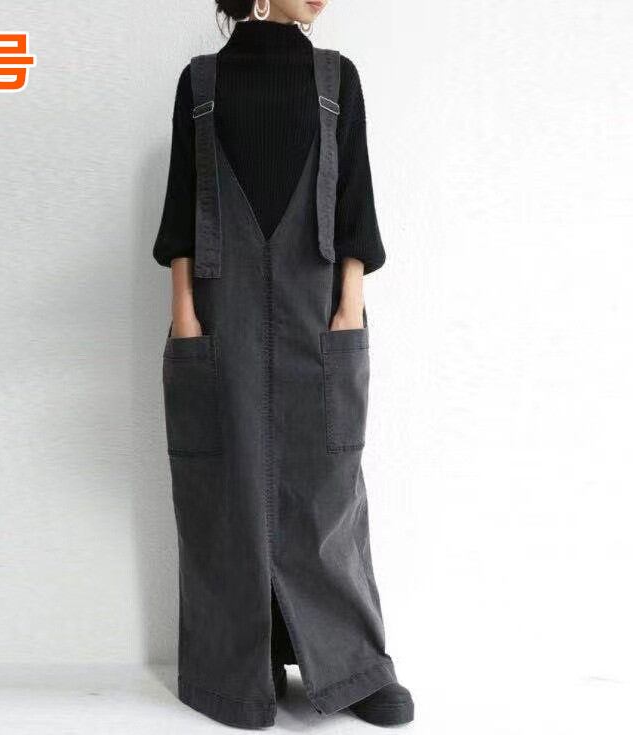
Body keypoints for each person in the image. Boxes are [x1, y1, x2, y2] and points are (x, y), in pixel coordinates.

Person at [153, 0, 414, 728]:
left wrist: (349, 306)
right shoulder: (200, 84)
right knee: (225, 487)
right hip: (217, 309)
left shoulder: (336, 79)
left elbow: (355, 199)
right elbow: (179, 211)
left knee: (327, 489)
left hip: (318, 309)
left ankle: (354, 667)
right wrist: (185, 316)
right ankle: (240, 663)